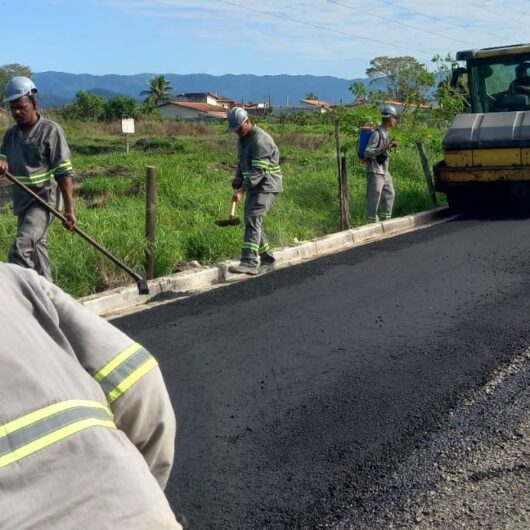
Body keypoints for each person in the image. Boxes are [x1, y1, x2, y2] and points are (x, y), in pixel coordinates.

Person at [0, 262, 183, 529]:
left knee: (28, 243)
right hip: (137, 511)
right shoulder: (15, 280)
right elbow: (142, 382)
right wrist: (137, 492)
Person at [0, 76, 76, 282]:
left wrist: (69, 210)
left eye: (21, 106)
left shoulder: (50, 131)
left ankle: (28, 299)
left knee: (19, 250)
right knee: (36, 252)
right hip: (22, 203)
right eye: (13, 107)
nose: (17, 112)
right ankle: (50, 299)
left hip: (43, 201)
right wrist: (2, 162)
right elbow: (3, 156)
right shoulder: (11, 135)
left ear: (34, 102)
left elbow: (63, 172)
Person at [227, 107, 283, 275]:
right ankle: (267, 259)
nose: (237, 132)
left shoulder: (261, 140)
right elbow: (242, 162)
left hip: (267, 186)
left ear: (247, 121)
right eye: (235, 130)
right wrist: (238, 177)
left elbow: (259, 171)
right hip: (255, 185)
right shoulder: (243, 139)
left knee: (253, 218)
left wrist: (241, 190)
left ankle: (249, 261)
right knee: (253, 221)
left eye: (239, 128)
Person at [364, 104, 400, 223]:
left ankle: (386, 220)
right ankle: (372, 222)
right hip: (375, 170)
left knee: (390, 193)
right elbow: (367, 152)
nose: (395, 120)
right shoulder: (376, 134)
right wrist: (383, 149)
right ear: (389, 118)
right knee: (374, 197)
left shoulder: (386, 133)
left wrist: (390, 146)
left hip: (384, 170)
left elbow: (383, 148)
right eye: (394, 117)